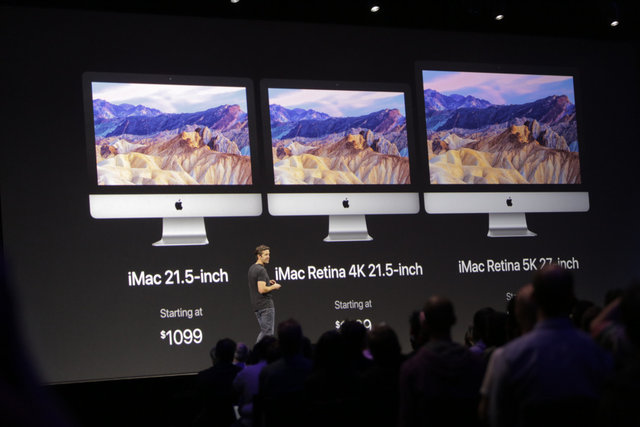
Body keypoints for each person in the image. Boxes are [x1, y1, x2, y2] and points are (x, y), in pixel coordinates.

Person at [487, 265, 612, 427]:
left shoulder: (508, 358)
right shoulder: (598, 352)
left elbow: (497, 418)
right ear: (572, 298)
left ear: (534, 299)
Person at [398, 296, 485, 427]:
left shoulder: (412, 368)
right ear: (454, 320)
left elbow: (407, 418)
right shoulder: (475, 362)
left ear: (424, 324)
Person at [248, 245, 281, 343]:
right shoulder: (261, 270)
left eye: (269, 254)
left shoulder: (252, 268)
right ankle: (258, 351)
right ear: (259, 256)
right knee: (267, 334)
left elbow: (257, 283)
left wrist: (268, 282)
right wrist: (274, 287)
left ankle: (257, 351)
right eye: (266, 254)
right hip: (265, 306)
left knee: (265, 332)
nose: (268, 256)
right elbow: (262, 289)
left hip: (257, 306)